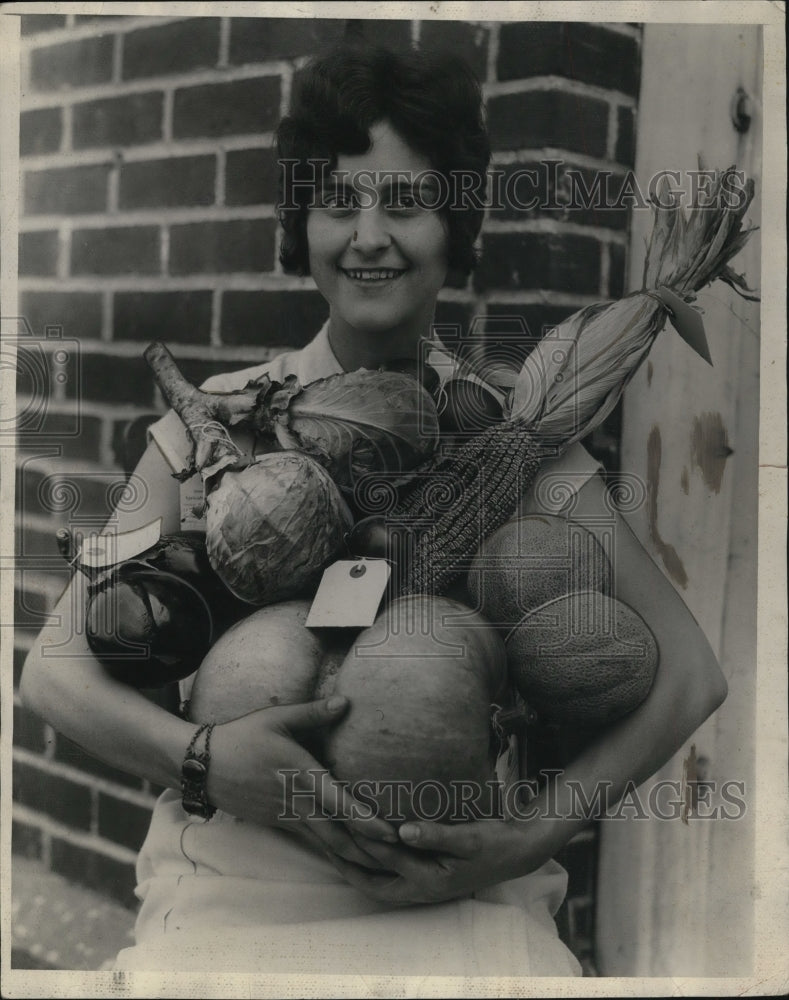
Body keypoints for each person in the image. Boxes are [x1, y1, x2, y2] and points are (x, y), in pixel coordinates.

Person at [20, 43, 727, 978]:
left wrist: (522, 841)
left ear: (456, 224)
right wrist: (203, 760)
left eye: (405, 201)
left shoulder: (515, 433)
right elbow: (53, 674)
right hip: (236, 899)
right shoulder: (209, 424)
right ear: (299, 221)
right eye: (337, 201)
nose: (368, 234)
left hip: (457, 905)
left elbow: (689, 677)